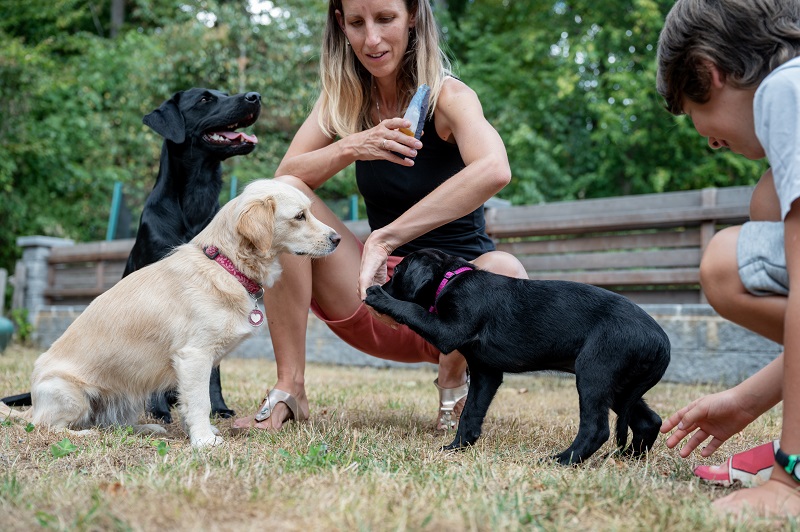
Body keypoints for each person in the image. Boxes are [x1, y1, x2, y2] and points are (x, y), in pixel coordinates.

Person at [232, 0, 527, 433]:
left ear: (412, 17)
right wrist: (354, 145)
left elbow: (495, 168)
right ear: (341, 25)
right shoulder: (346, 98)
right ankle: (289, 388)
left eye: (385, 18)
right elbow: (286, 177)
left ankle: (453, 381)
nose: (371, 39)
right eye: (357, 22)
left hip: (453, 313)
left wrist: (385, 238)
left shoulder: (449, 96)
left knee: (506, 268)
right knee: (285, 197)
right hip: (377, 296)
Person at [656, 0, 800, 517]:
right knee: (767, 200)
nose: (712, 141)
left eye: (697, 117)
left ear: (707, 73)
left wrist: (790, 478)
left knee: (724, 262)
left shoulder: (786, 89)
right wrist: (746, 403)